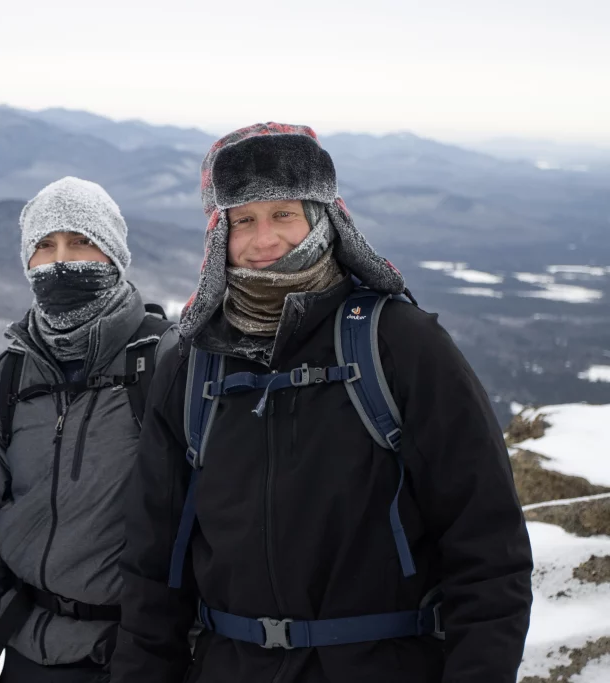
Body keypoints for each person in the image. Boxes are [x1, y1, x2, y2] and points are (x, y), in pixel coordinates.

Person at [111, 123, 533, 683]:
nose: (264, 240)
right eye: (244, 220)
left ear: (323, 217)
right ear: (219, 233)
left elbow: (488, 547)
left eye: (284, 214)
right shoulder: (191, 366)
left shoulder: (399, 344)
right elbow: (153, 572)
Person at [0, 177, 177, 683]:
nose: (61, 260)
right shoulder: (10, 375)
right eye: (45, 247)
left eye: (81, 242)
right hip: (30, 651)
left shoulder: (164, 361)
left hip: (138, 653)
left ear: (114, 255)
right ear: (28, 262)